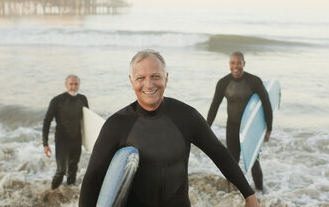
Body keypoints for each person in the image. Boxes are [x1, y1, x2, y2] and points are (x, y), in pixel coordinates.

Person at [79, 49, 259, 207]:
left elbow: (219, 154)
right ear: (131, 81)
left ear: (166, 77)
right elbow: (93, 178)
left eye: (155, 76)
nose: (148, 84)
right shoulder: (117, 124)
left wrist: (249, 194)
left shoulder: (186, 117)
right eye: (141, 78)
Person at [206, 51, 273, 191]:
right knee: (232, 161)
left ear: (244, 64)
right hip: (232, 127)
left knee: (254, 161)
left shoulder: (254, 81)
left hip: (250, 128)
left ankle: (260, 193)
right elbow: (214, 106)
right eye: (232, 63)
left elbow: (266, 104)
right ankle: (232, 192)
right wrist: (206, 128)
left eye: (239, 63)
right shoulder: (223, 83)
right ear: (229, 64)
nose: (236, 66)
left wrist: (269, 128)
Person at [43, 74, 89, 189]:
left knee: (73, 169)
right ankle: (51, 192)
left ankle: (69, 193)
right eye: (71, 84)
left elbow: (88, 122)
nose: (73, 86)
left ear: (79, 85)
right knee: (61, 170)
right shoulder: (57, 100)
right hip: (62, 141)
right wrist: (45, 144)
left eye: (76, 84)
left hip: (76, 140)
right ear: (66, 85)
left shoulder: (83, 99)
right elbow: (47, 121)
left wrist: (91, 142)